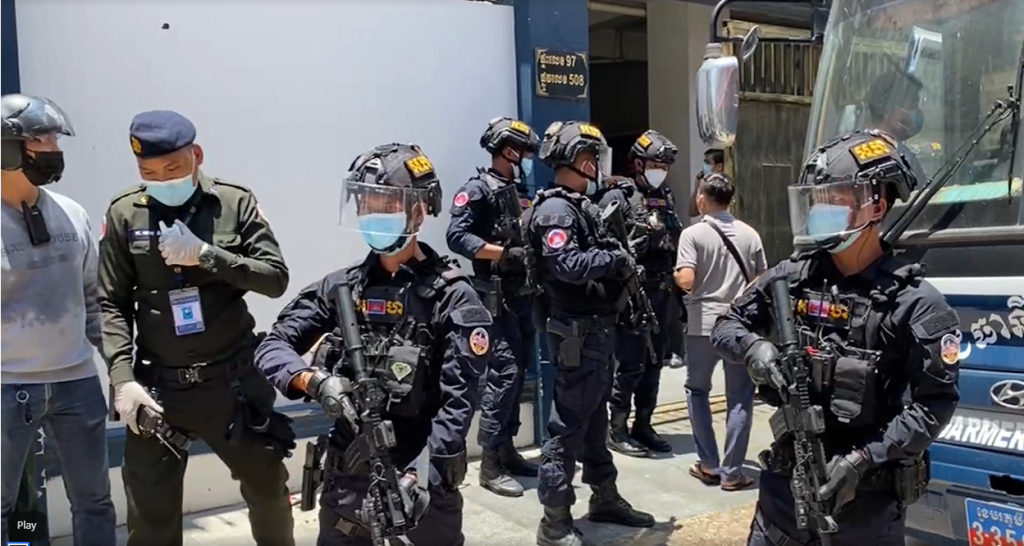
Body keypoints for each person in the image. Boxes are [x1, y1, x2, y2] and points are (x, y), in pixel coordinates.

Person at [711, 130, 960, 546]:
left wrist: (863, 460)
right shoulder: (792, 278)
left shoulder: (915, 303)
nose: (819, 210)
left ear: (875, 206)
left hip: (864, 504)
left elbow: (934, 403)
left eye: (834, 199)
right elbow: (727, 325)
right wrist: (754, 348)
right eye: (815, 200)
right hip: (783, 498)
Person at [256, 143, 491, 546]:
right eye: (366, 206)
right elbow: (272, 345)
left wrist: (419, 476)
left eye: (386, 205)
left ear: (418, 210)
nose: (373, 216)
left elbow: (458, 403)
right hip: (349, 471)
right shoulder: (343, 287)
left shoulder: (451, 296)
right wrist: (312, 381)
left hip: (422, 476)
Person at [98, 110, 295, 546]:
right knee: (151, 518)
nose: (162, 179)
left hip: (233, 384)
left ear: (196, 155)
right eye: (148, 171)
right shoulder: (126, 212)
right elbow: (110, 301)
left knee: (268, 496)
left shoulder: (234, 202)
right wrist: (121, 378)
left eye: (172, 168)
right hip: (159, 388)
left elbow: (274, 279)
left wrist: (209, 256)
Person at [526, 121, 654, 546]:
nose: (599, 167)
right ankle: (555, 523)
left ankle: (604, 497)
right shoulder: (556, 211)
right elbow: (567, 265)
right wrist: (613, 258)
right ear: (582, 161)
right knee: (566, 429)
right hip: (576, 335)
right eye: (594, 159)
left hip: (596, 334)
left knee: (595, 423)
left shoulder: (578, 205)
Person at [1, 93, 116, 546]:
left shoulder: (73, 213)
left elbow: (92, 301)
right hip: (7, 387)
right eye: (39, 138)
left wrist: (123, 371)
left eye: (54, 137)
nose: (52, 147)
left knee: (93, 501)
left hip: (77, 383)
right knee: (11, 508)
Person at [445, 117, 541, 497]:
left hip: (522, 295)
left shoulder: (519, 190)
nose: (527, 159)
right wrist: (503, 253)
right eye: (523, 152)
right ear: (507, 150)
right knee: (503, 375)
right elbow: (457, 236)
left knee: (518, 373)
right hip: (494, 297)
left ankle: (507, 448)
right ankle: (489, 463)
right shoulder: (477, 189)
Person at [674, 172, 766, 491]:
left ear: (702, 198)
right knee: (740, 398)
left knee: (697, 391)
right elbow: (760, 281)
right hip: (739, 326)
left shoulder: (693, 234)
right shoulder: (750, 234)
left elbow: (686, 280)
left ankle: (709, 465)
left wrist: (682, 280)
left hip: (702, 325)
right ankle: (732, 472)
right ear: (730, 200)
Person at [597, 130, 682, 458]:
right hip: (632, 294)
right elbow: (604, 246)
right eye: (656, 164)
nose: (661, 170)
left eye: (665, 165)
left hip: (662, 292)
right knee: (630, 363)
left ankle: (644, 424)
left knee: (654, 362)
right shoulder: (617, 197)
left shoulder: (666, 197)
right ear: (637, 163)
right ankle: (617, 427)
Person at [865, 71, 929, 183]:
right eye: (912, 106)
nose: (916, 113)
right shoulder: (904, 158)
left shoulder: (851, 149)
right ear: (887, 110)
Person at [688, 148, 725, 219]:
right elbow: (693, 212)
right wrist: (697, 187)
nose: (705, 166)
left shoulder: (726, 185)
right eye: (705, 162)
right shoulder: (707, 185)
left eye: (708, 163)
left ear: (719, 166)